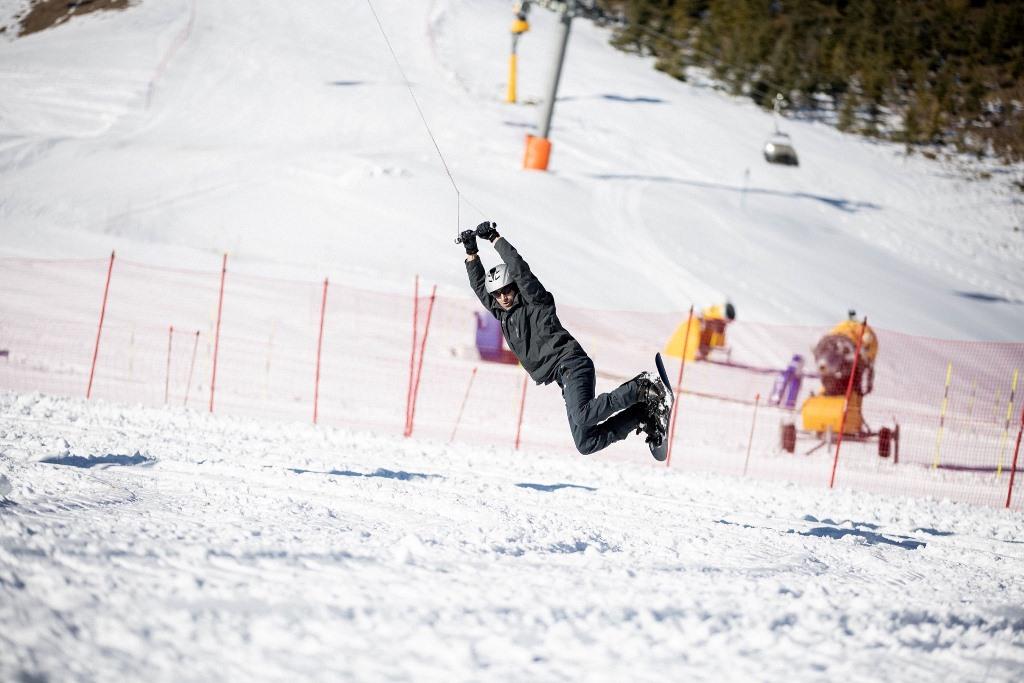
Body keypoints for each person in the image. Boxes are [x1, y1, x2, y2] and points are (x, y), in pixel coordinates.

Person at [460, 221, 669, 456]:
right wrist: (471, 253)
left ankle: (643, 386)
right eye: (497, 294)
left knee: (584, 414)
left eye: (506, 290)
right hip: (561, 376)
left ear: (514, 287)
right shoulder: (503, 314)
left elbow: (520, 269)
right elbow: (480, 288)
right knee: (586, 443)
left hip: (571, 363)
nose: (503, 297)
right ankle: (640, 414)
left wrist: (495, 239)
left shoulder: (534, 301)